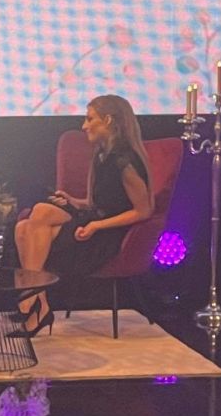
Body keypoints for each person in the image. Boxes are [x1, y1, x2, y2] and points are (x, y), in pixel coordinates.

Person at [13, 94, 152, 337]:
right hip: (92, 221)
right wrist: (72, 200)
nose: (84, 126)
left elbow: (143, 211)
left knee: (28, 227)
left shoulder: (125, 161)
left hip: (107, 235)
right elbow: (95, 202)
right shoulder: (102, 154)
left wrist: (97, 226)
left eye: (89, 119)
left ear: (108, 120)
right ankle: (37, 301)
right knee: (28, 222)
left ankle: (33, 300)